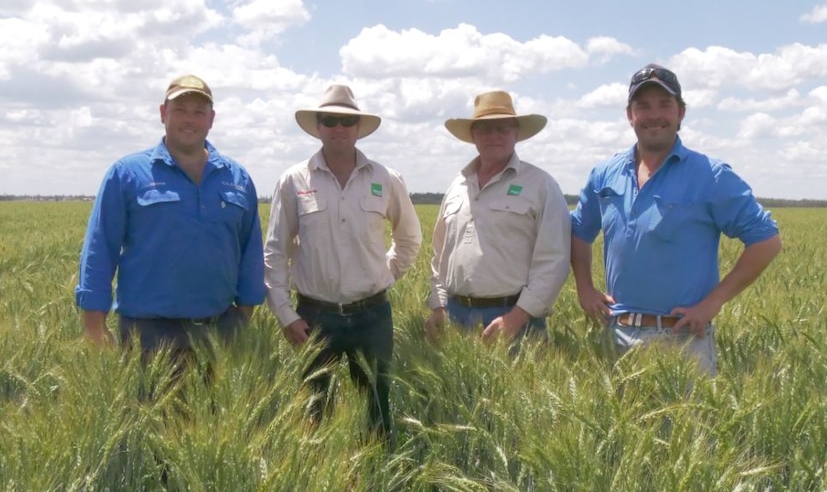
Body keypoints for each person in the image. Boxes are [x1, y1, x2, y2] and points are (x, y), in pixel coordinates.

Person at [569, 63, 782, 375]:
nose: (654, 115)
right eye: (643, 106)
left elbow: (767, 241)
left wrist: (712, 303)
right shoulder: (605, 174)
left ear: (681, 113)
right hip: (616, 334)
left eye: (664, 105)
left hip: (683, 339)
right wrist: (584, 288)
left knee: (689, 425)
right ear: (630, 115)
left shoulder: (710, 175)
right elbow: (579, 231)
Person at [75, 74, 265, 379]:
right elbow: (99, 250)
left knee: (217, 424)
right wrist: (94, 326)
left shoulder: (237, 177)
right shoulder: (127, 174)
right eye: (180, 110)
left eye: (199, 112)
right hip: (148, 335)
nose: (189, 119)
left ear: (211, 119)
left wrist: (243, 316)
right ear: (163, 113)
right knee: (148, 422)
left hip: (221, 330)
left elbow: (251, 251)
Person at [264, 84, 422, 444]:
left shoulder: (386, 178)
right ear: (318, 126)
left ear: (358, 127)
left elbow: (410, 238)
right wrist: (286, 315)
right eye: (329, 120)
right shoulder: (293, 180)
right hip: (315, 318)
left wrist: (385, 274)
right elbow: (275, 250)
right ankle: (323, 489)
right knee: (315, 416)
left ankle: (378, 486)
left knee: (376, 413)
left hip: (373, 317)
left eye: (346, 121)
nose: (338, 127)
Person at [425, 90, 571, 344]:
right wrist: (439, 307)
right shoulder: (457, 186)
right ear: (473, 136)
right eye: (484, 128)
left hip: (514, 319)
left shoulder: (541, 185)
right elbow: (440, 254)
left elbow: (554, 260)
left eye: (502, 128)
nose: (493, 135)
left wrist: (518, 316)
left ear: (516, 133)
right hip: (455, 316)